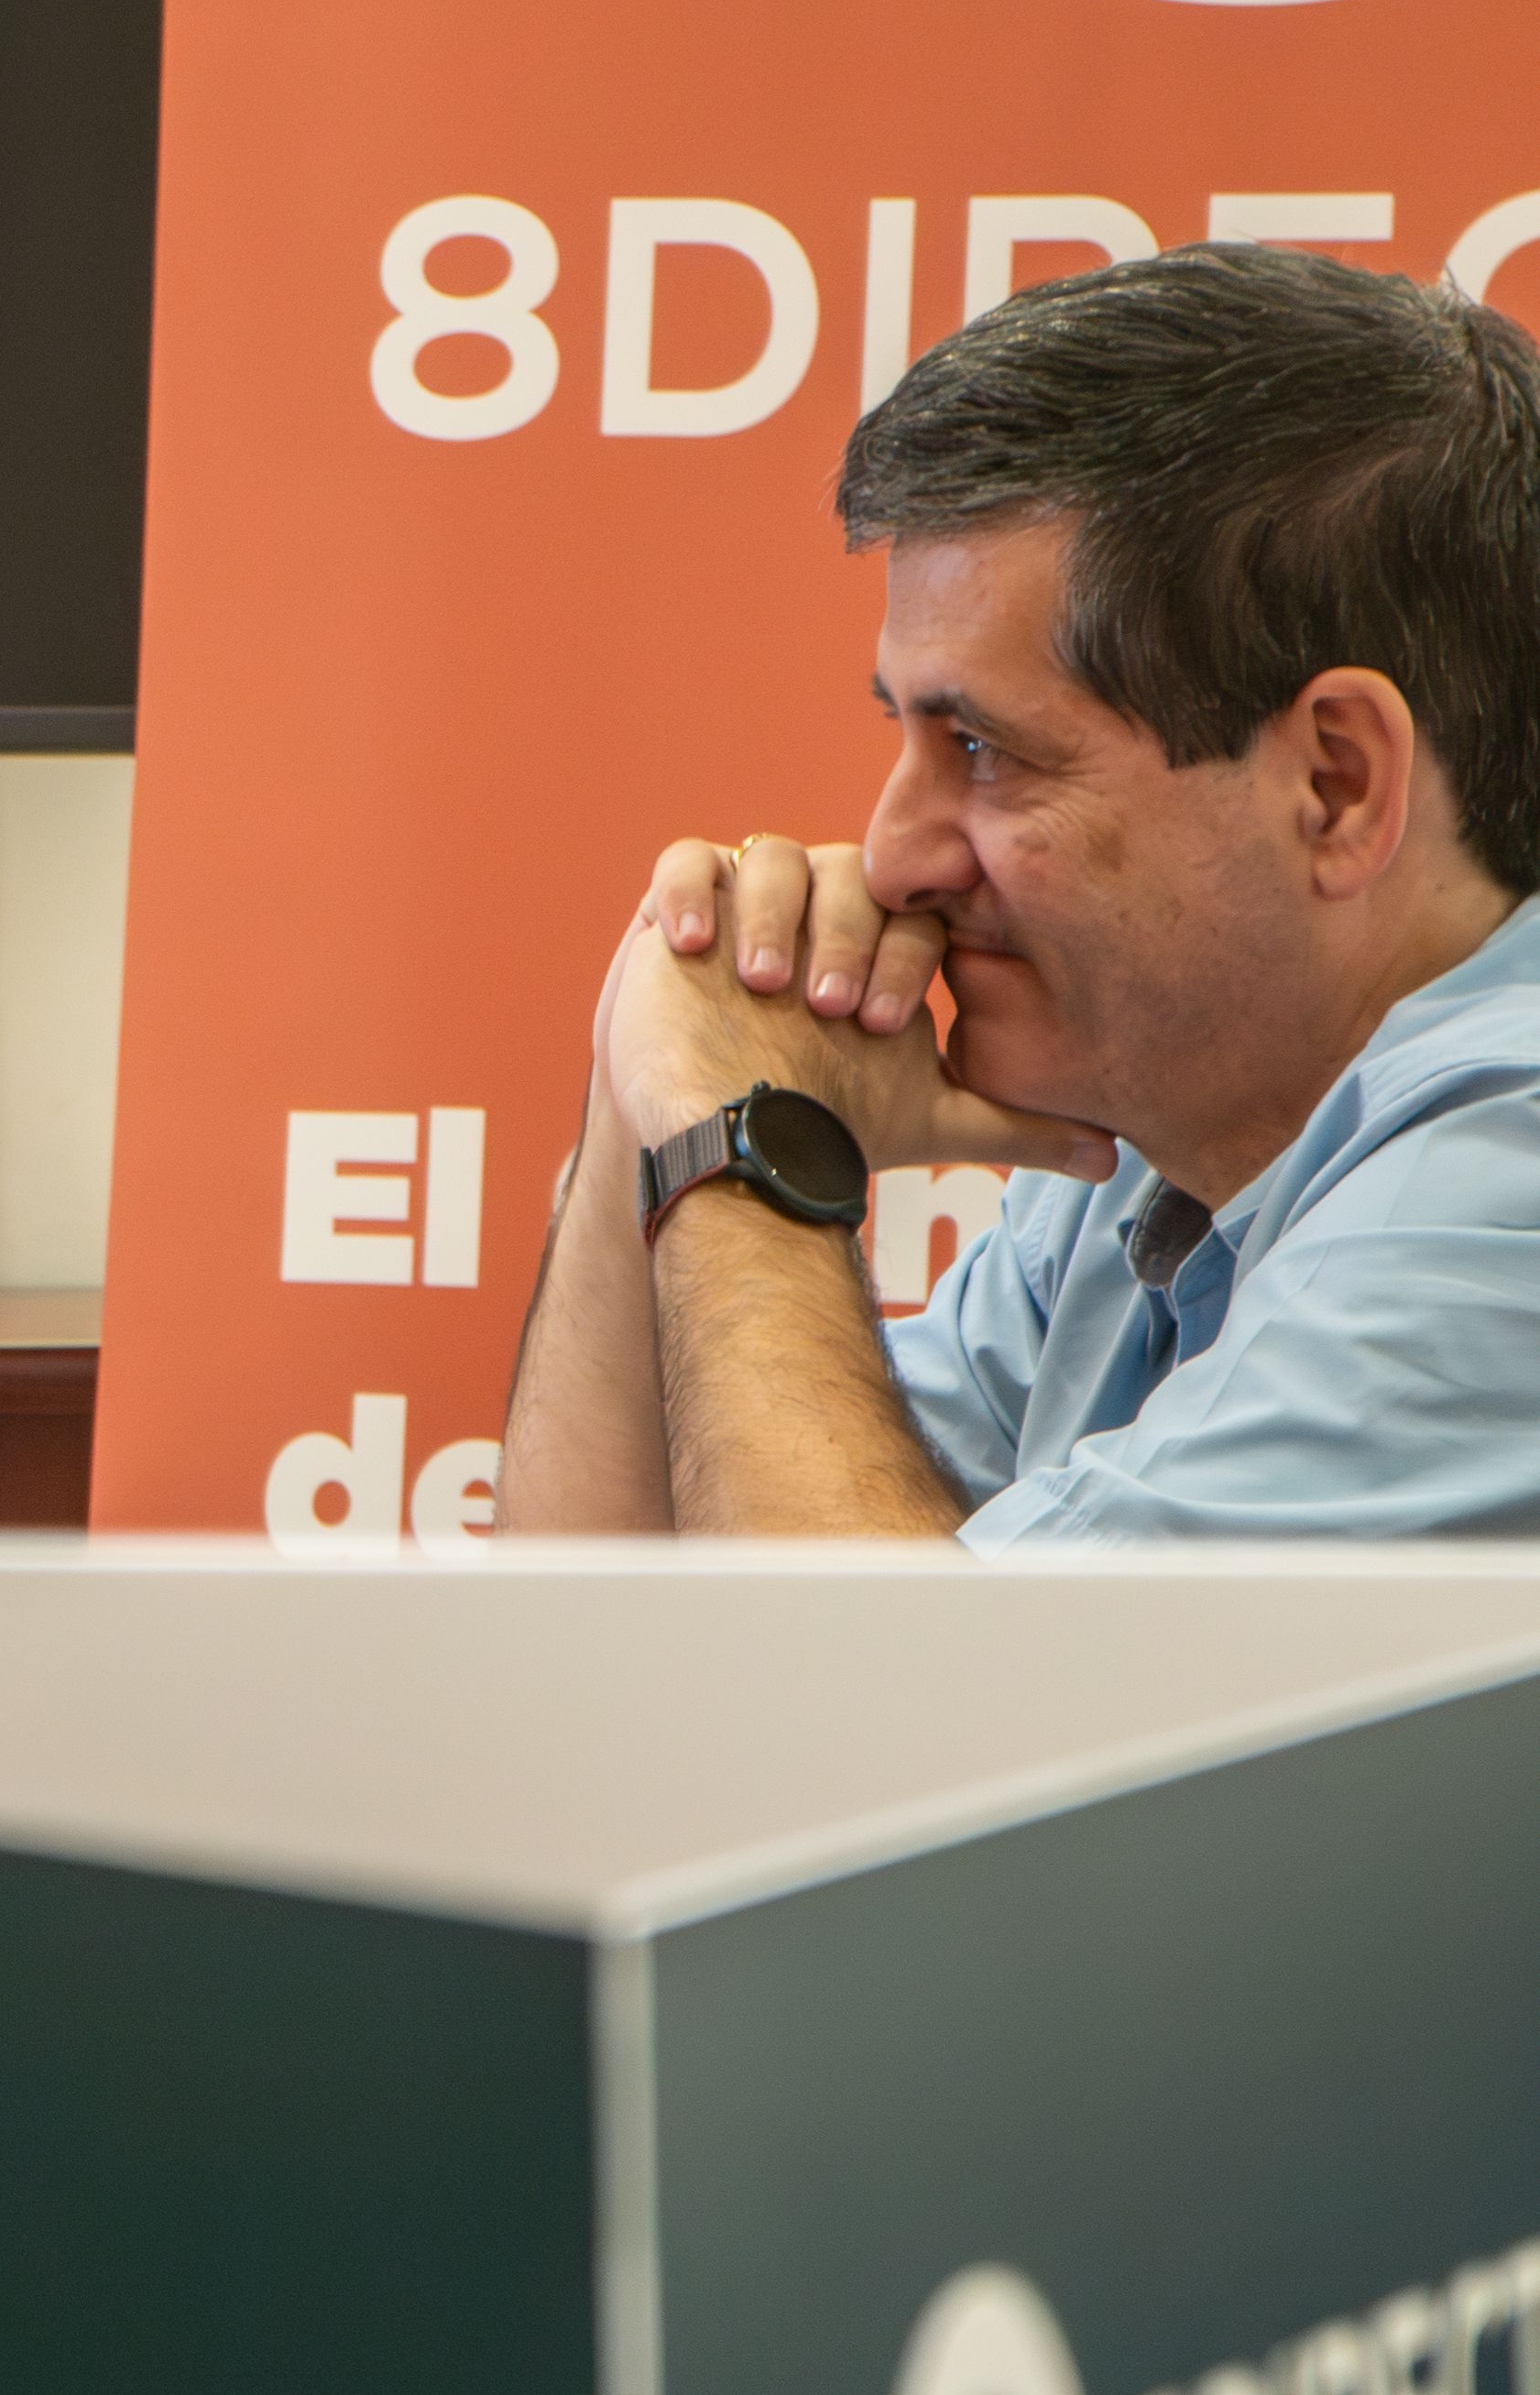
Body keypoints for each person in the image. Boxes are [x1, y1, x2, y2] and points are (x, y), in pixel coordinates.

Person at [497, 242, 1540, 1541]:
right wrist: (645, 1098)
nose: (889, 858)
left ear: (1331, 784)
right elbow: (581, 1648)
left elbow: (874, 1720)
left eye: (982, 751)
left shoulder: (1511, 1191)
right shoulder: (1131, 1163)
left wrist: (741, 1149)